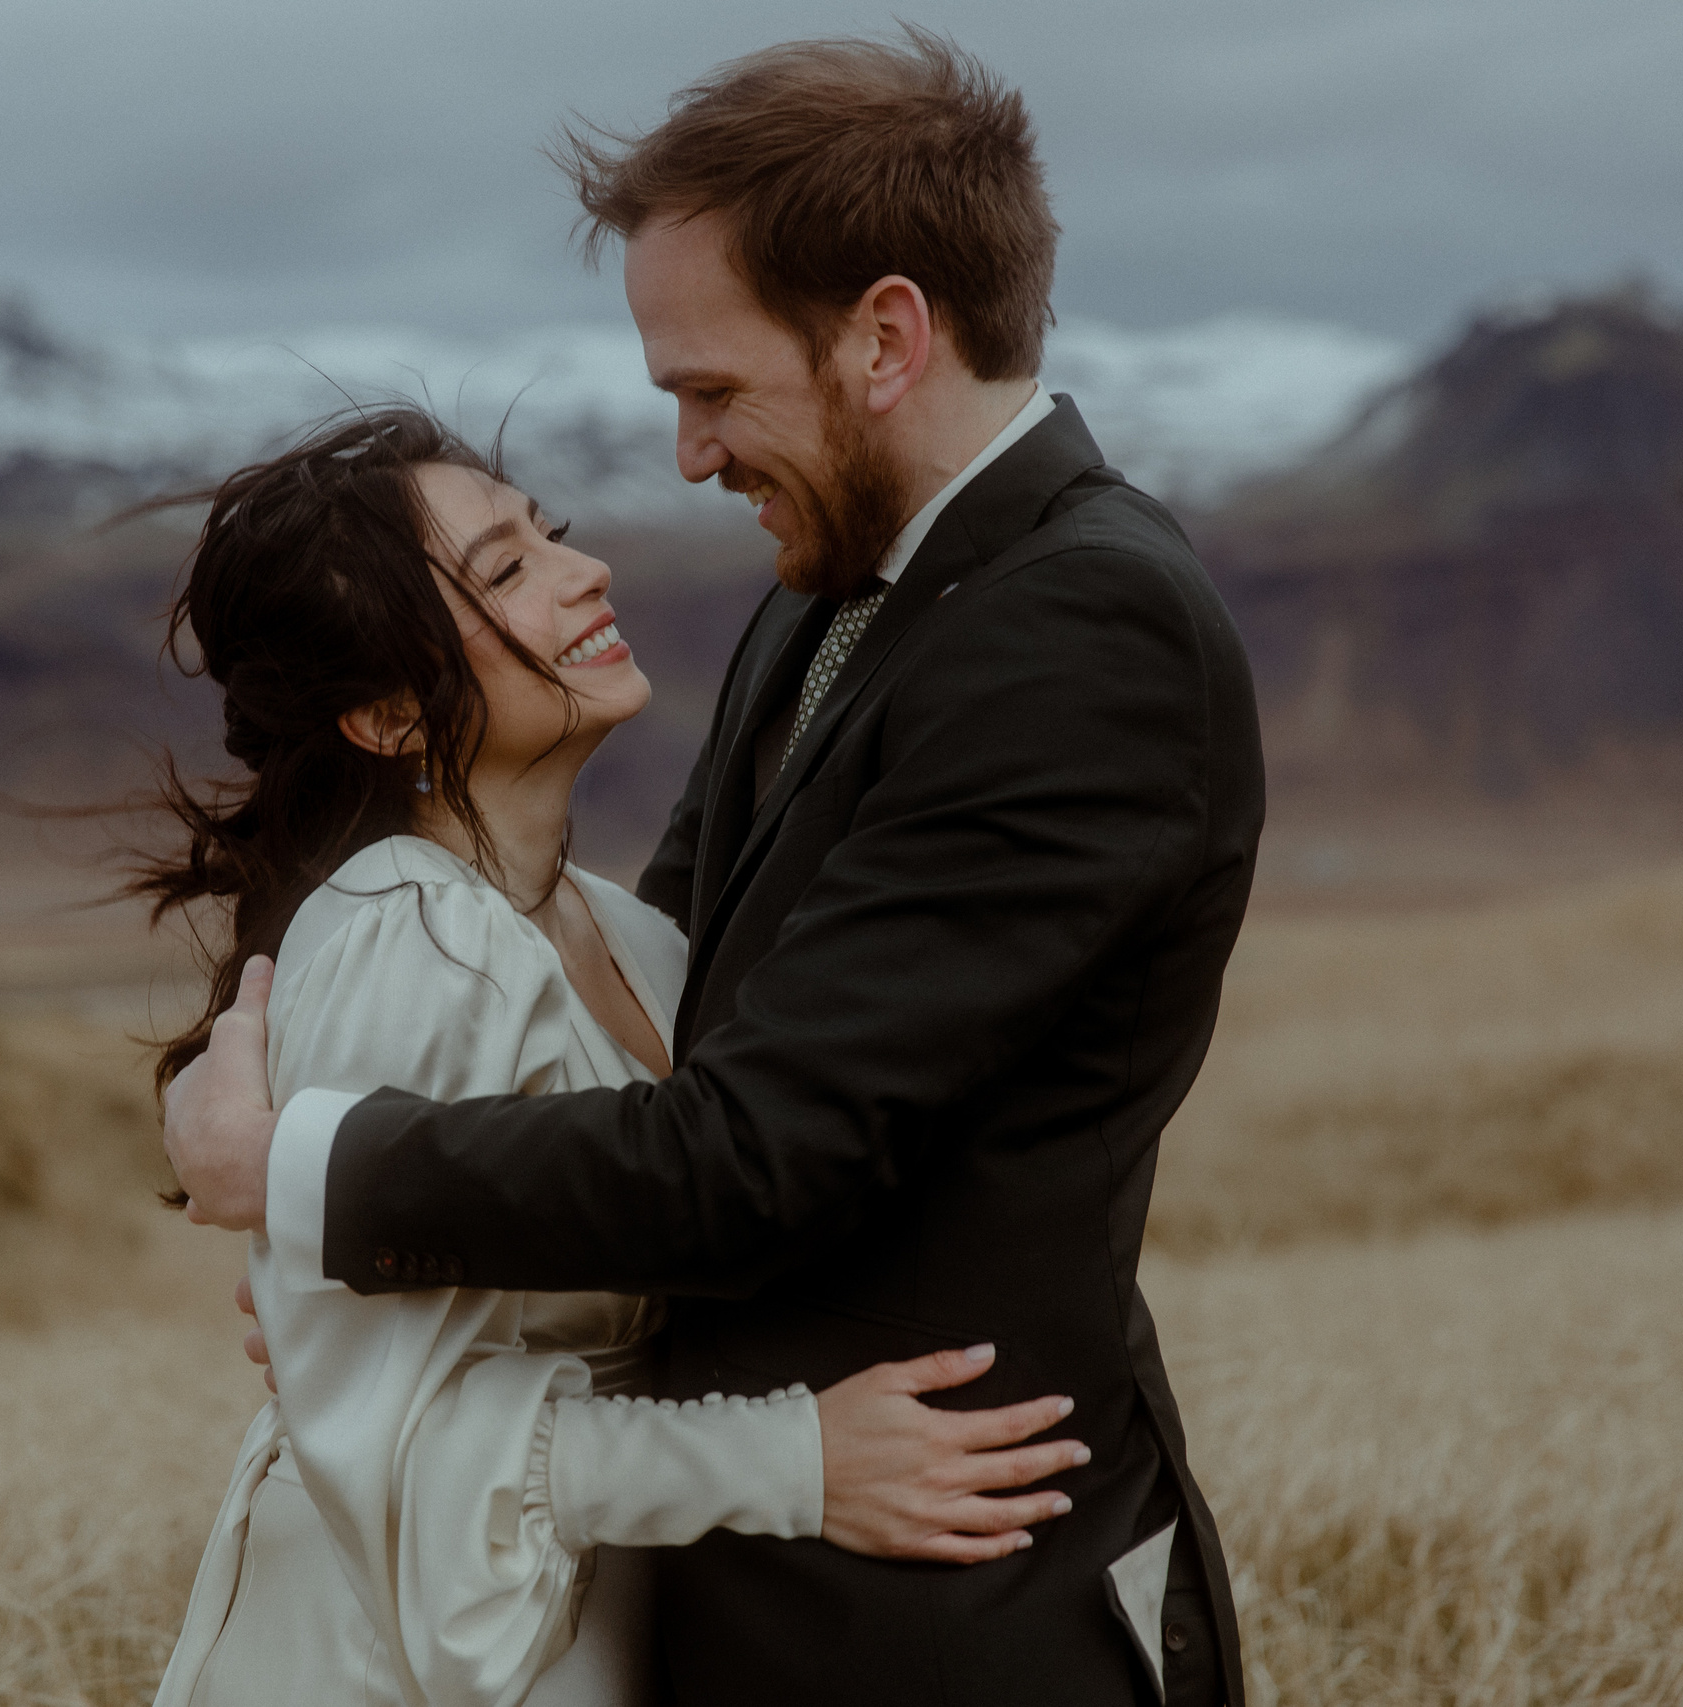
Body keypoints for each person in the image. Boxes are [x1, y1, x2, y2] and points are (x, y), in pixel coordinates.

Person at [164, 29, 1264, 1707]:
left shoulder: (1078, 626)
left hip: (941, 1619)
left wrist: (317, 1186)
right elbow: (662, 1016)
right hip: (742, 1596)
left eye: (711, 389)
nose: (686, 455)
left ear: (885, 336)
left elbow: (753, 1152)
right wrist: (366, 1310)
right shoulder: (833, 593)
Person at [139, 407, 1094, 1707]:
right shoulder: (404, 934)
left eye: (553, 535)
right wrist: (798, 1462)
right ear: (383, 710)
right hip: (380, 1660)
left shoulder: (630, 931)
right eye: (507, 571)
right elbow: (405, 1453)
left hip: (585, 1629)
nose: (584, 573)